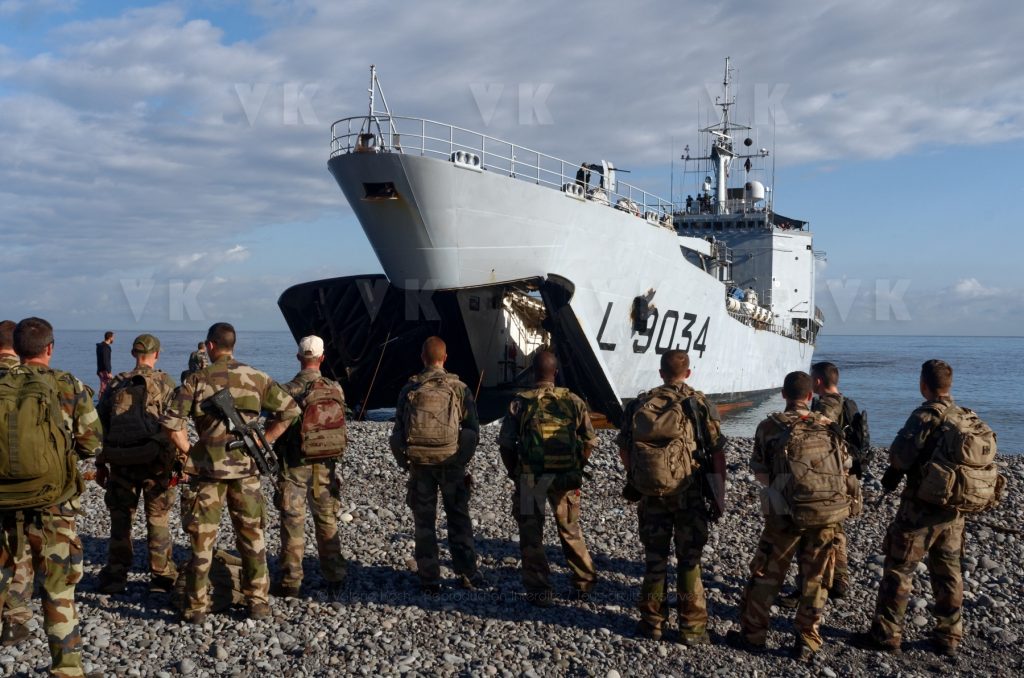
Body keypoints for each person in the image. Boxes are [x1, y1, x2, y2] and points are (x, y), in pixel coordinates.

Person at [852, 360, 999, 657]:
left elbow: (900, 456)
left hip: (920, 508)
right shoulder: (966, 416)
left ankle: (886, 633)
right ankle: (949, 635)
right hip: (955, 510)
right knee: (949, 572)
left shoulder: (925, 415)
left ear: (923, 384)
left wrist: (893, 475)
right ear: (950, 384)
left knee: (899, 569)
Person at [161, 322, 300, 623]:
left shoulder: (196, 379)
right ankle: (258, 602)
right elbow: (290, 410)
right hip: (246, 472)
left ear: (210, 346)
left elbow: (171, 424)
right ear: (232, 345)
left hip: (208, 474)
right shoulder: (257, 377)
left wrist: (191, 451)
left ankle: (196, 607)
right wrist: (267, 439)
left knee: (202, 542)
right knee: (252, 538)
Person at [727, 371, 859, 661]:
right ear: (811, 396)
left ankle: (754, 635)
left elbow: (761, 473)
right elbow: (845, 467)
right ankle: (807, 642)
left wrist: (782, 486)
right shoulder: (829, 427)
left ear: (784, 395)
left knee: (766, 574)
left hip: (784, 514)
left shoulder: (769, 426)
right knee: (816, 579)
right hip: (826, 512)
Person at [0, 317, 104, 676]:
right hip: (54, 504)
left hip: (2, 503)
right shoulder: (67, 384)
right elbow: (93, 443)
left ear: (15, 347)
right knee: (58, 587)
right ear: (49, 348)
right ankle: (67, 669)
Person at [617, 350, 726, 644]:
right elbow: (717, 454)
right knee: (689, 560)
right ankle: (692, 628)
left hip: (651, 493)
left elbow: (625, 448)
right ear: (688, 373)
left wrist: (638, 478)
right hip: (689, 492)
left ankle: (652, 623)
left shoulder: (640, 403)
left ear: (661, 372)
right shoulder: (699, 403)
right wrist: (719, 496)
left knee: (655, 558)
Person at [498, 349, 597, 607]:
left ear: (532, 373)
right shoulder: (574, 401)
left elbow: (506, 444)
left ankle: (540, 591)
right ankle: (583, 583)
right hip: (565, 478)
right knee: (570, 529)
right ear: (555, 373)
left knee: (532, 534)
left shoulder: (519, 403)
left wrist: (514, 472)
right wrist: (576, 466)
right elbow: (589, 440)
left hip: (531, 479)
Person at [389, 336, 485, 594]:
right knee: (458, 518)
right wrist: (460, 460)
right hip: (450, 462)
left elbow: (398, 432)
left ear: (423, 358)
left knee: (424, 521)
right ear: (445, 358)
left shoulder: (409, 388)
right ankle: (467, 573)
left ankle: (429, 578)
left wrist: (406, 462)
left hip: (420, 464)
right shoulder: (459, 388)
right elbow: (472, 431)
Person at [94, 334, 179, 595]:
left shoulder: (118, 382)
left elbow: (101, 425)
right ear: (157, 354)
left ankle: (116, 576)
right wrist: (180, 462)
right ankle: (161, 577)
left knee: (121, 520)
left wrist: (101, 462)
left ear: (133, 354)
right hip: (156, 462)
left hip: (122, 462)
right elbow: (175, 425)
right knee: (158, 519)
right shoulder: (165, 382)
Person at [779, 360, 868, 607]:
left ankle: (808, 585)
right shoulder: (848, 402)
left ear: (817, 382)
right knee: (835, 530)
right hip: (846, 476)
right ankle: (840, 579)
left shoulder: (826, 408)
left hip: (828, 478)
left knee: (813, 535)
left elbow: (815, 440)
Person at [271, 335, 348, 599]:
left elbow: (276, 423)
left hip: (294, 464)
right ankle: (335, 576)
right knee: (327, 519)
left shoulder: (286, 390)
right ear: (322, 358)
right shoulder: (335, 388)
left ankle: (292, 581)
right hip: (326, 465)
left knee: (293, 521)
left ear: (298, 357)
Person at [0, 320, 33, 647]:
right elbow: (88, 439)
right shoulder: (49, 381)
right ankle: (14, 620)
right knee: (17, 549)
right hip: (26, 484)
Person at [95, 331, 114, 397]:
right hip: (104, 370)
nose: (113, 339)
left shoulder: (100, 346)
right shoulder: (105, 348)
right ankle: (101, 402)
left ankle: (101, 401)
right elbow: (106, 360)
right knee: (104, 387)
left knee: (104, 385)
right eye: (113, 337)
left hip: (100, 369)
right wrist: (109, 372)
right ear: (110, 337)